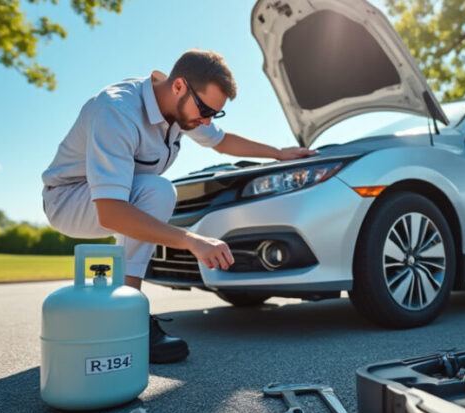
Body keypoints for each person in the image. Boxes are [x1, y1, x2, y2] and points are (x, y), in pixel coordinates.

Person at [41, 49, 316, 363]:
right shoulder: (116, 111)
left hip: (115, 197)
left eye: (215, 113)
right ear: (178, 87)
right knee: (158, 191)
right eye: (205, 110)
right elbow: (111, 211)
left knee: (156, 191)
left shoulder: (184, 108)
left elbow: (222, 141)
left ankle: (123, 312)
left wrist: (279, 153)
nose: (207, 120)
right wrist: (191, 241)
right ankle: (127, 316)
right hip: (67, 199)